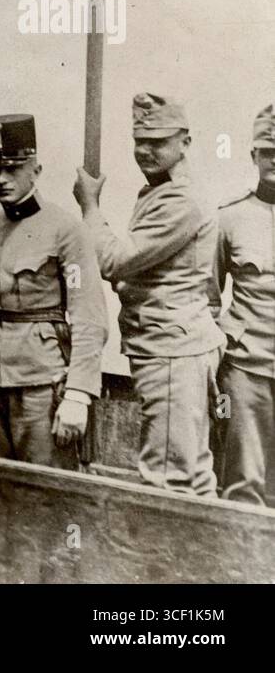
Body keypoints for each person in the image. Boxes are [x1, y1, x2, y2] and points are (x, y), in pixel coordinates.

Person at [74, 93, 224, 496]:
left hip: (173, 352)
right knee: (190, 474)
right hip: (169, 347)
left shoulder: (181, 198)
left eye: (157, 141)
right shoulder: (160, 191)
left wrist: (90, 208)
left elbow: (117, 261)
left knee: (167, 481)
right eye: (139, 140)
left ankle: (165, 562)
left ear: (184, 143)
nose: (144, 150)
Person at [0, 114, 107, 469]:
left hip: (40, 384)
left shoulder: (66, 229)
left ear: (35, 171)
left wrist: (79, 394)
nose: (2, 180)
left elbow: (89, 318)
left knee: (47, 492)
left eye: (14, 168)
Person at [210, 104, 275, 505]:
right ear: (254, 155)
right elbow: (207, 299)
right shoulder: (230, 218)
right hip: (246, 372)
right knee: (243, 487)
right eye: (269, 151)